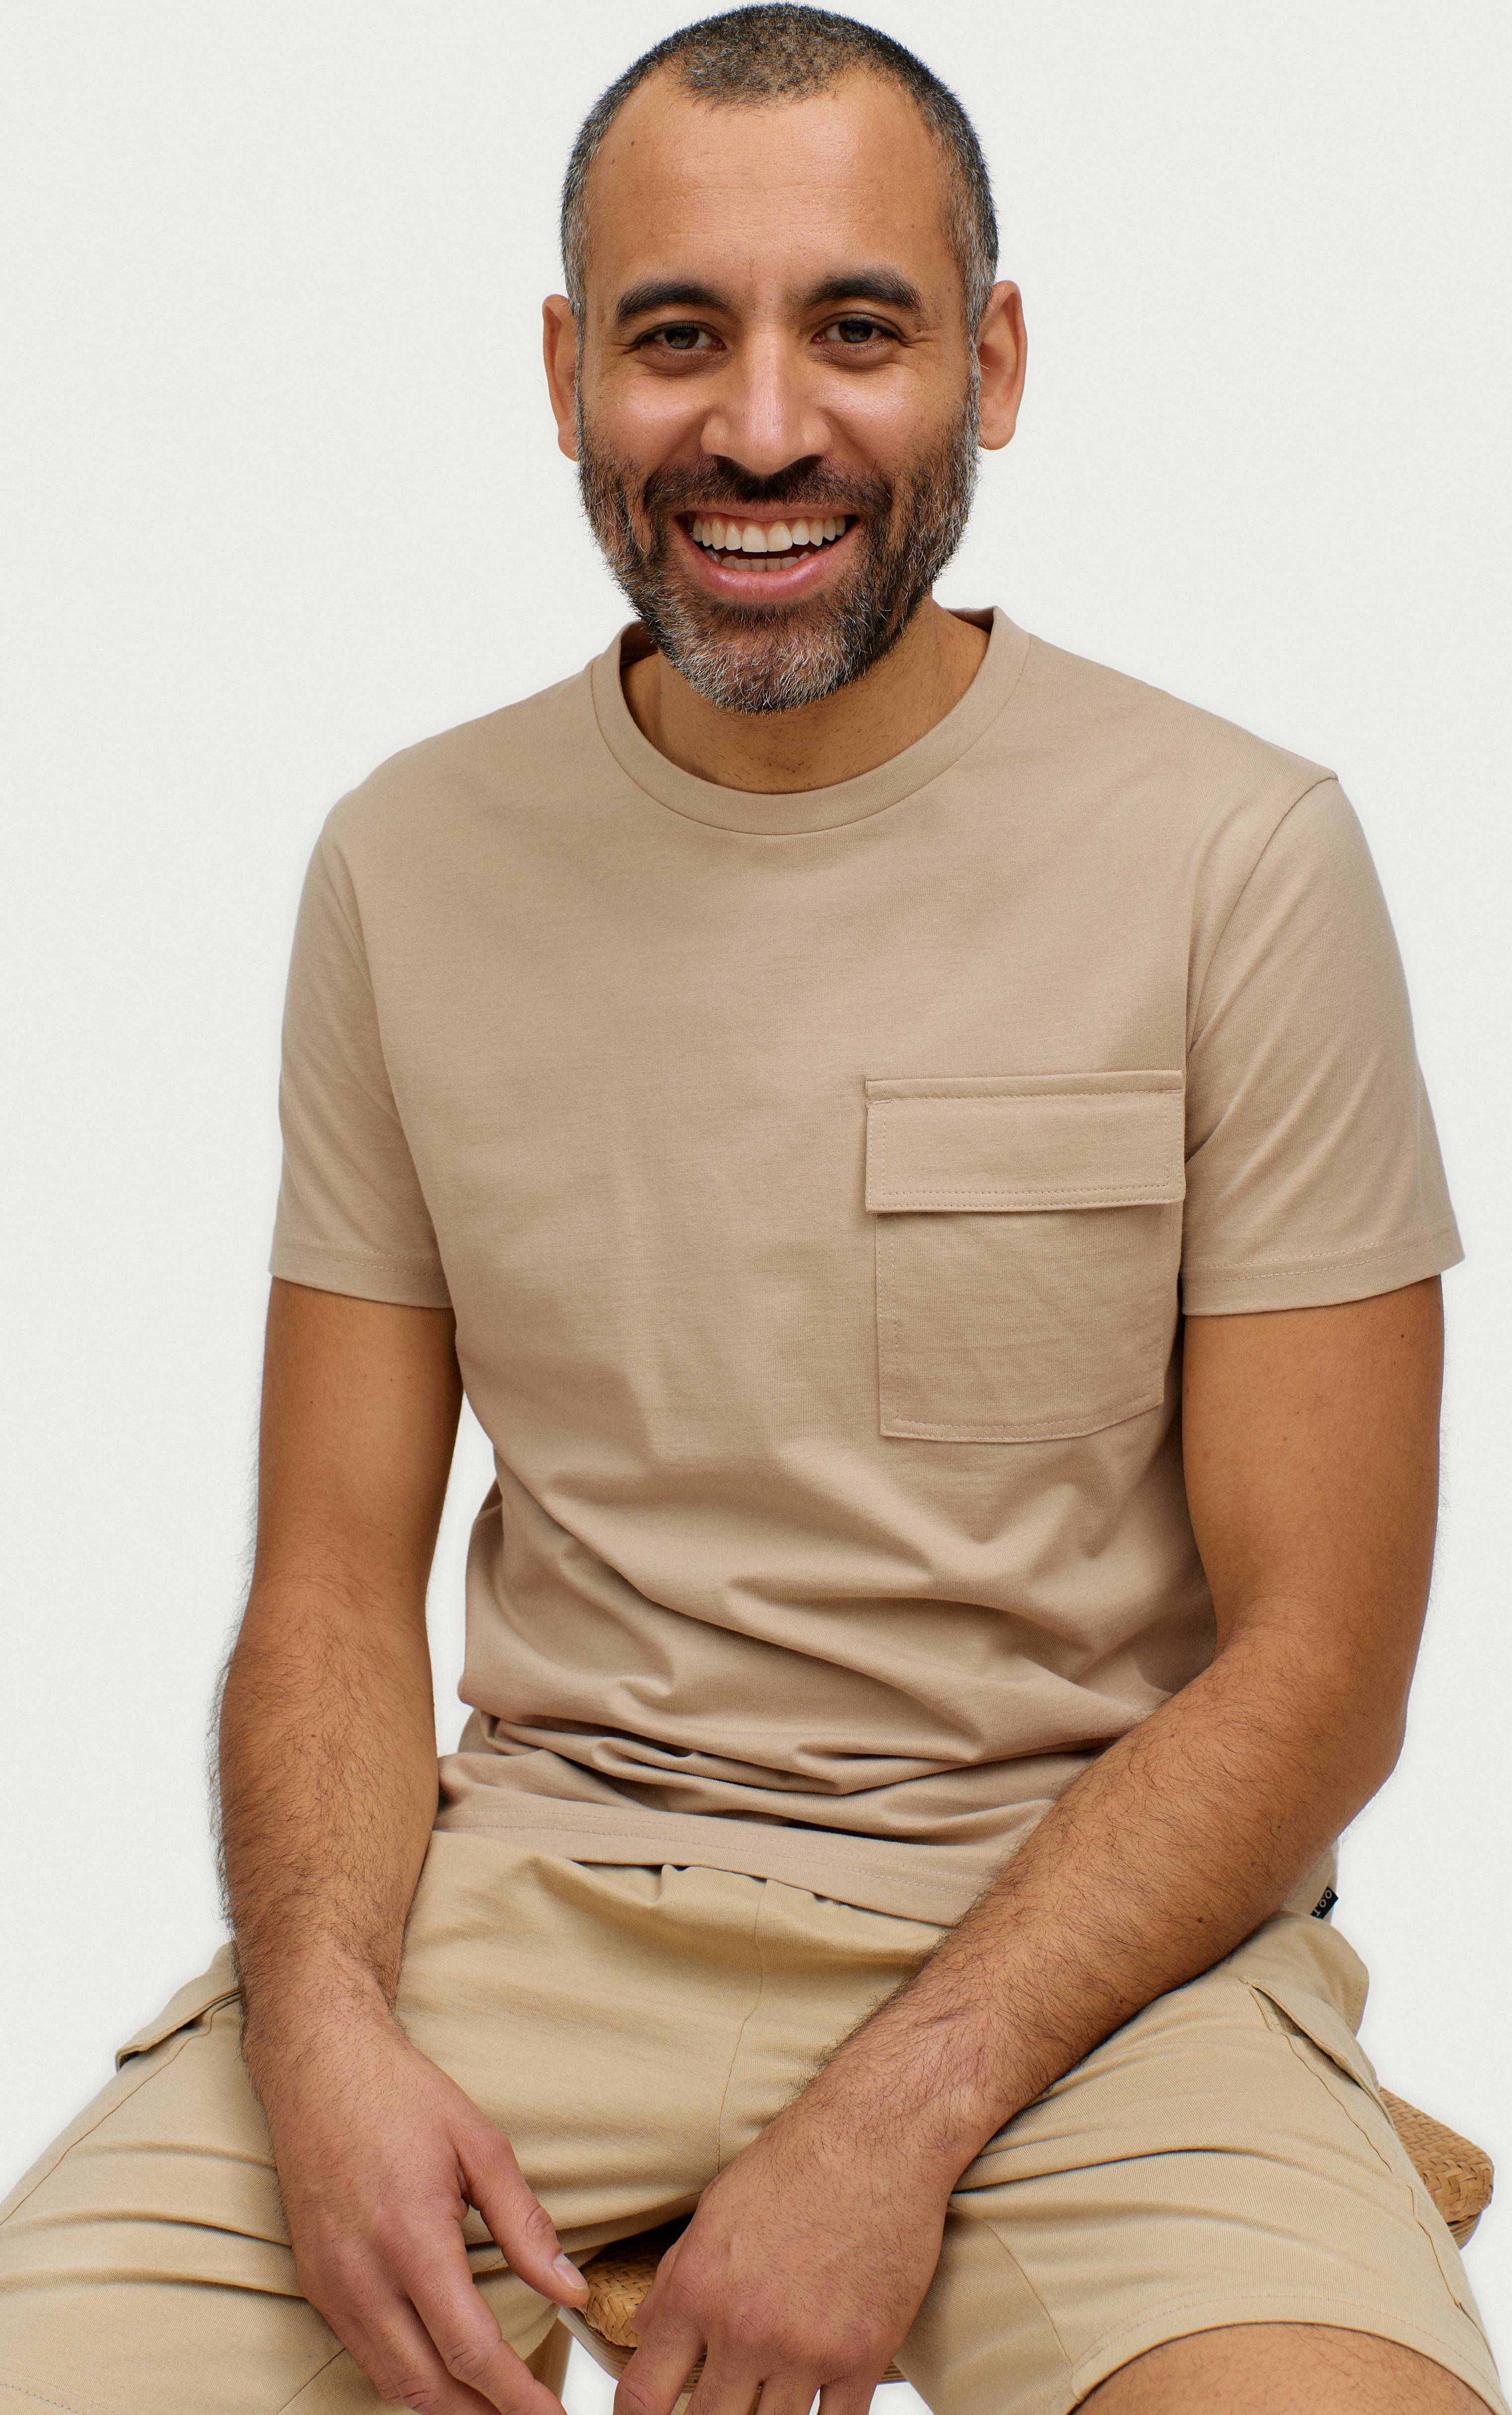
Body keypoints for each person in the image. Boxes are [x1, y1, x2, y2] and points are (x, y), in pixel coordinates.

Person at [0, 7, 1503, 2412]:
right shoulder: (407, 860)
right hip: (526, 1912)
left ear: (990, 365)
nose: (764, 427)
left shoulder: (1237, 856)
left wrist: (895, 2117)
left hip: (1091, 1964)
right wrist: (319, 2030)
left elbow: (1320, 1662)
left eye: (859, 330)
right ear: (566, 374)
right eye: (677, 336)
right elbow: (333, 1584)